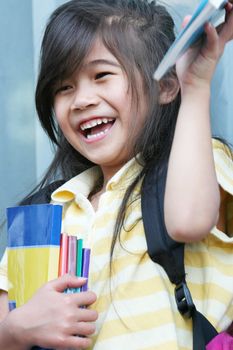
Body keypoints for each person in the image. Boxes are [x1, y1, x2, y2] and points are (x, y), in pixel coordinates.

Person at [0, 0, 233, 349]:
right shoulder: (49, 208)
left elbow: (188, 221)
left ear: (165, 87)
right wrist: (18, 329)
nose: (81, 100)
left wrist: (196, 87)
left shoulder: (196, 162)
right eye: (64, 87)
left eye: (101, 75)